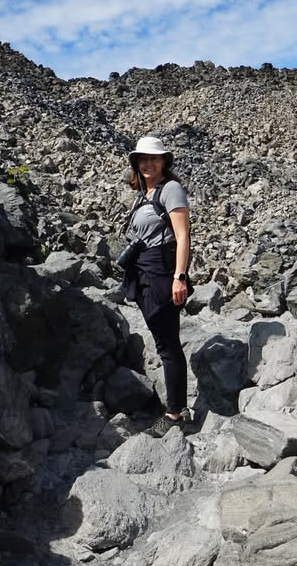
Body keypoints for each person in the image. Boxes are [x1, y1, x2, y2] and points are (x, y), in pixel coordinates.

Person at [120, 136, 192, 437]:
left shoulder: (170, 189)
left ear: (164, 161)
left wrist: (179, 277)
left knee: (167, 345)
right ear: (136, 163)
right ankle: (177, 407)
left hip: (161, 272)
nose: (148, 163)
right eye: (143, 159)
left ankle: (174, 414)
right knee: (165, 341)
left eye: (154, 158)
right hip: (145, 272)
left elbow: (183, 236)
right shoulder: (144, 194)